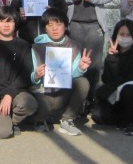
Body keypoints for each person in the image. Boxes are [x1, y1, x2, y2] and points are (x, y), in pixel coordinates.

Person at [52, 0, 114, 105]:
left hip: (94, 25)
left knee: (93, 64)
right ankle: (72, 102)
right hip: (72, 23)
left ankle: (90, 100)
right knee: (72, 62)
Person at [30, 8, 92, 136]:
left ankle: (67, 120)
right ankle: (41, 120)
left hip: (64, 93)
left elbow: (73, 75)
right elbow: (30, 78)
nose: (54, 29)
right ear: (45, 28)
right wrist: (36, 75)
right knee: (41, 109)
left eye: (58, 24)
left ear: (65, 26)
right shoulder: (36, 47)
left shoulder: (74, 46)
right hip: (44, 93)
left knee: (83, 82)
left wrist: (80, 68)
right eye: (50, 25)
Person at [0, 6, 38, 139]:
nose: (6, 25)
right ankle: (3, 121)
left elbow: (26, 75)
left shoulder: (24, 45)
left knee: (29, 103)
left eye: (10, 21)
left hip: (15, 93)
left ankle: (13, 121)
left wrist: (9, 95)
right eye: (2, 21)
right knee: (3, 133)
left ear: (15, 23)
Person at [92, 19, 133, 136]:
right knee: (97, 116)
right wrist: (112, 59)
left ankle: (132, 123)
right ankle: (123, 119)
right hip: (113, 95)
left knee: (128, 90)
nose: (125, 37)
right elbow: (107, 79)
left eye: (129, 35)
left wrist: (120, 85)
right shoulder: (113, 54)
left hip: (132, 95)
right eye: (122, 34)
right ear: (116, 35)